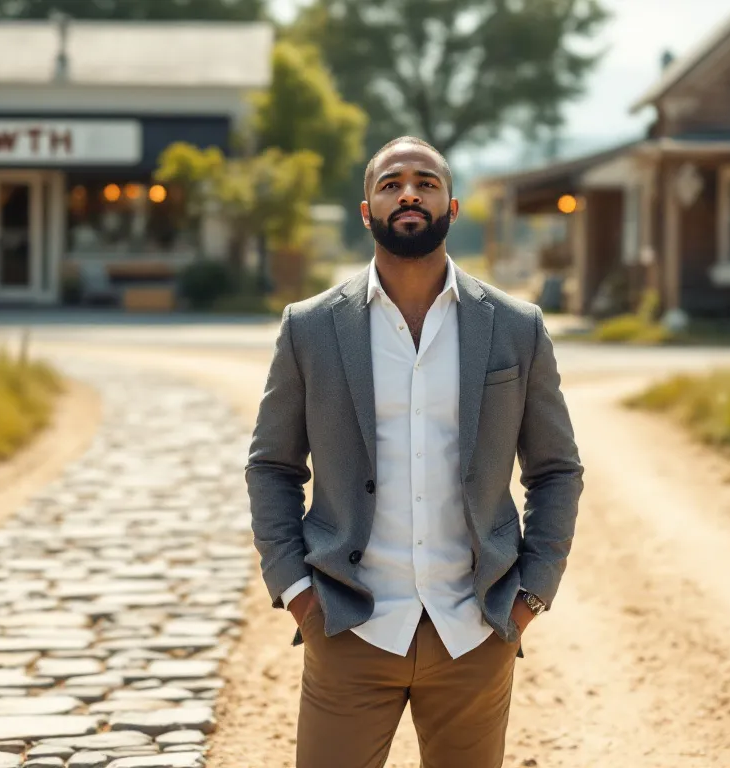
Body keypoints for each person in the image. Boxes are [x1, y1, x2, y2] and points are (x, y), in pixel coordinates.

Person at [246, 136, 584, 768]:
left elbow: (557, 470)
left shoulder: (516, 326)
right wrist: (296, 589)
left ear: (452, 208)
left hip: (474, 630)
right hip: (349, 624)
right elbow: (272, 465)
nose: (409, 192)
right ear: (367, 210)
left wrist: (531, 594)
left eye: (426, 183)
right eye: (391, 182)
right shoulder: (311, 327)